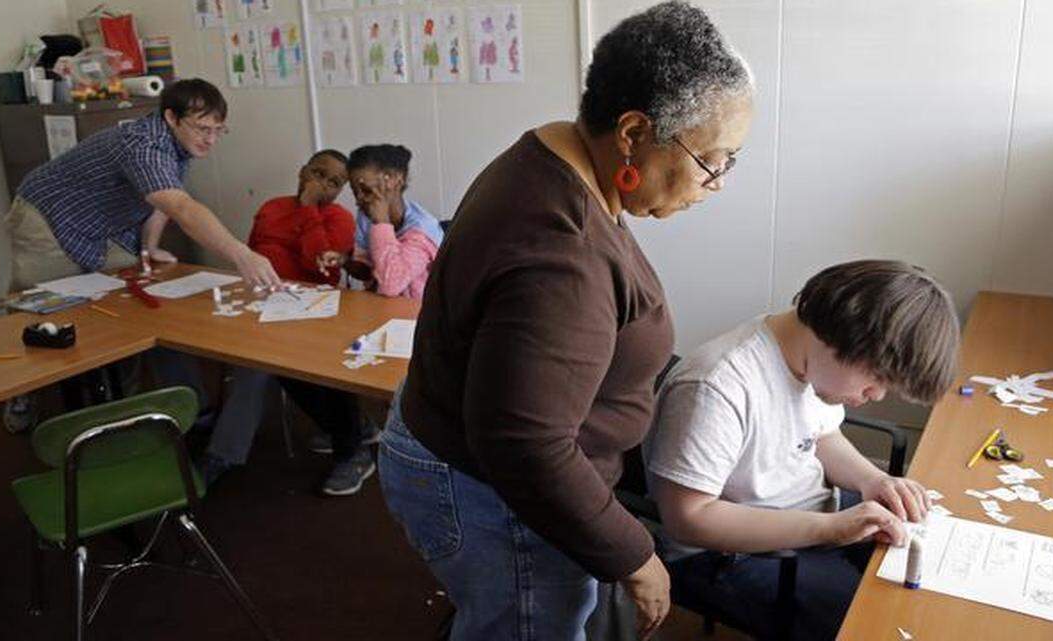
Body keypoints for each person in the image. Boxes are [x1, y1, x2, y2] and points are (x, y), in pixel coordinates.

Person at [377, 3, 755, 639]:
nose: (717, 182)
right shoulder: (563, 251)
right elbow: (525, 444)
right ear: (632, 133)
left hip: (464, 455)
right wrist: (635, 553)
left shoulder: (554, 152)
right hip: (490, 492)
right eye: (712, 159)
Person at [642, 259, 960, 641]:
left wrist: (872, 479)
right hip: (725, 552)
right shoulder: (716, 387)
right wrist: (829, 529)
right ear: (842, 338)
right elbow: (689, 519)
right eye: (877, 378)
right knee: (876, 624)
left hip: (808, 515)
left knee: (931, 575)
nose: (875, 395)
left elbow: (822, 436)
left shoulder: (810, 360)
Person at [2, 78, 282, 432]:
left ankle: (123, 400)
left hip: (106, 223)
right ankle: (23, 392)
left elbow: (160, 197)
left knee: (129, 305)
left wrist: (149, 246)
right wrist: (241, 254)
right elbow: (179, 205)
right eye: (202, 129)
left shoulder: (178, 144)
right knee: (38, 309)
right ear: (171, 117)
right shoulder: (141, 143)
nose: (210, 139)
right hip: (48, 215)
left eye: (217, 130)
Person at [198, 150, 378, 496]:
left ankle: (221, 455)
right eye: (318, 173)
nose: (323, 184)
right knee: (246, 354)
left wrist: (310, 208)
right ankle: (352, 427)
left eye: (334, 182)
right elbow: (251, 256)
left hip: (314, 312)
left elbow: (318, 267)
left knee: (278, 367)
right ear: (302, 171)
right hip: (264, 307)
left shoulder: (337, 218)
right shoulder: (271, 207)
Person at [344, 144, 443, 300]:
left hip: (419, 314)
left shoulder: (422, 229)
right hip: (383, 309)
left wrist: (382, 223)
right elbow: (368, 270)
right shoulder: (366, 216)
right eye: (355, 191)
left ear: (397, 180)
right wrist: (343, 261)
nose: (360, 199)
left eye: (366, 190)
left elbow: (391, 284)